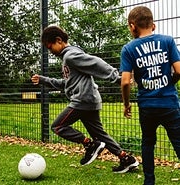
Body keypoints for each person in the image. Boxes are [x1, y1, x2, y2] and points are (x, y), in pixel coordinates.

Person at [31, 25, 139, 173]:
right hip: (90, 100)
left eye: (50, 48)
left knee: (58, 126)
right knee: (100, 135)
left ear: (59, 40)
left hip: (82, 100)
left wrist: (117, 77)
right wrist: (43, 80)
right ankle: (126, 159)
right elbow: (65, 84)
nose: (51, 52)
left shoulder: (70, 56)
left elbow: (96, 63)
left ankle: (89, 144)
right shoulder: (68, 58)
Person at [120, 6, 180, 185]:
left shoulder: (129, 49)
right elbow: (178, 70)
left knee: (147, 143)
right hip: (169, 102)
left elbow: (124, 81)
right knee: (178, 142)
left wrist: (126, 103)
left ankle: (149, 181)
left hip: (147, 106)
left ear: (132, 26)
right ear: (153, 25)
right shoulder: (168, 41)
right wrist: (170, 82)